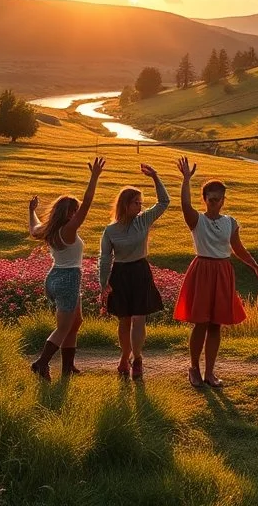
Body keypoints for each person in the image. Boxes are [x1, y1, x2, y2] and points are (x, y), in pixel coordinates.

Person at [173, 156, 258, 388]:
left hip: (223, 271)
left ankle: (210, 372)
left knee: (216, 324)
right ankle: (194, 368)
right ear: (205, 199)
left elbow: (238, 248)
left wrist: (256, 267)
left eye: (219, 199)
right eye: (212, 199)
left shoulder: (230, 222)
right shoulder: (197, 220)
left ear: (224, 200)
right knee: (201, 322)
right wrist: (186, 180)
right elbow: (185, 206)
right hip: (203, 270)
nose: (216, 203)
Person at [27, 157, 106, 380]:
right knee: (63, 328)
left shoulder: (49, 229)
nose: (78, 213)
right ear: (70, 212)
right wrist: (94, 177)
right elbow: (88, 203)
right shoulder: (69, 229)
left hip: (55, 278)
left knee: (75, 321)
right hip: (68, 279)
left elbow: (33, 228)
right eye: (76, 210)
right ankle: (40, 364)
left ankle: (68, 367)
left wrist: (31, 210)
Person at [99, 163, 169, 379]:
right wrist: (103, 283)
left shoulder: (144, 220)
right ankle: (124, 357)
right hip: (120, 274)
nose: (140, 206)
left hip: (140, 271)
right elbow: (104, 257)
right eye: (136, 203)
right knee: (124, 320)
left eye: (141, 203)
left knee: (139, 318)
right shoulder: (110, 230)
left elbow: (164, 202)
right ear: (125, 204)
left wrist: (155, 176)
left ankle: (137, 359)